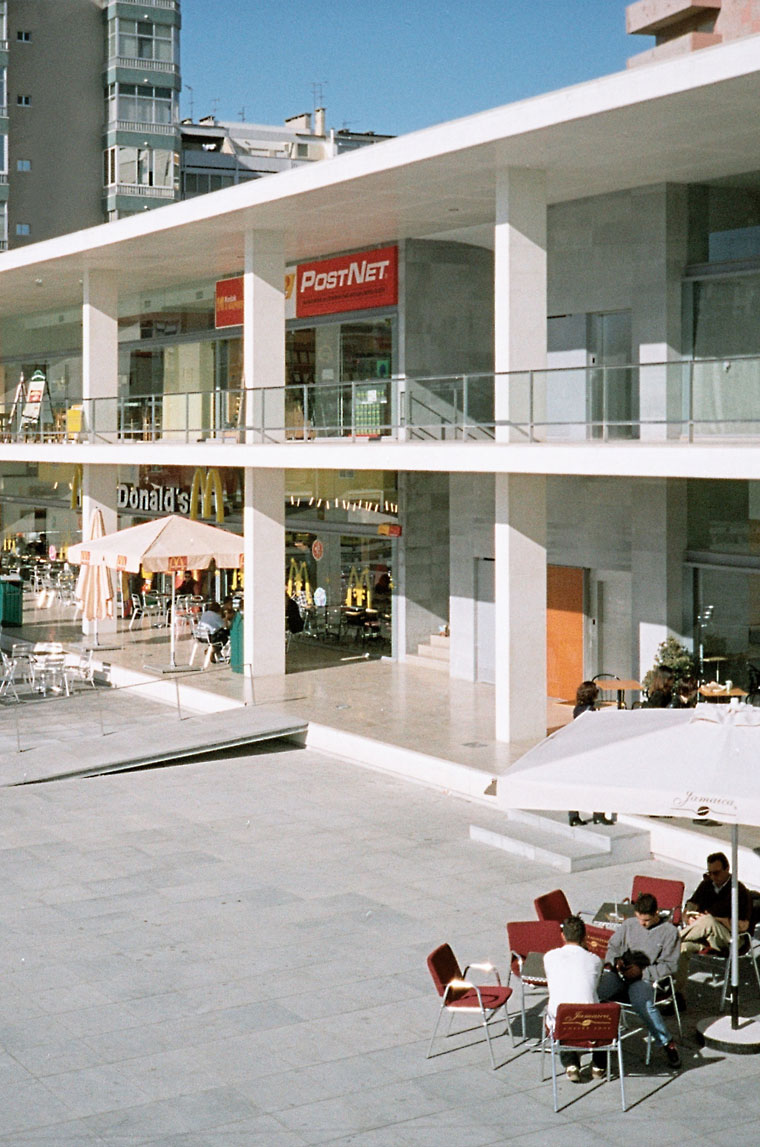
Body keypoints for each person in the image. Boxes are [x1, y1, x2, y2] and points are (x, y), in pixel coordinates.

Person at [598, 892, 681, 1067]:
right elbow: (613, 947)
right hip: (621, 974)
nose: (642, 924)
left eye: (646, 921)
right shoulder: (629, 924)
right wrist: (615, 961)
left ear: (656, 913)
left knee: (641, 1003)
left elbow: (670, 966)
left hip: (646, 979)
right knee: (596, 992)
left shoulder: (669, 932)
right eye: (639, 919)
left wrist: (642, 972)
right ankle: (596, 1040)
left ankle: (666, 1042)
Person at [675, 851, 752, 999]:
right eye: (709, 873)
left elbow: (743, 926)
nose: (713, 877)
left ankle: (670, 940)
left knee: (708, 921)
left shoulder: (739, 891)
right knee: (682, 948)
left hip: (730, 938)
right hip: (704, 937)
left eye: (716, 873)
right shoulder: (706, 884)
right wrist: (689, 916)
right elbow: (691, 904)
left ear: (727, 869)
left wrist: (717, 920)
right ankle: (677, 994)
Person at [544, 915, 605, 1082]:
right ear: (585, 937)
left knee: (559, 1012)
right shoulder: (595, 960)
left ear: (563, 936)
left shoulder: (549, 957)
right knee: (601, 1010)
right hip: (591, 1023)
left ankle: (570, 1063)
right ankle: (599, 1065)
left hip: (562, 1021)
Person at [568, 682, 614, 827]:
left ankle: (574, 815)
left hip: (578, 751)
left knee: (578, 783)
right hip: (588, 751)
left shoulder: (578, 709)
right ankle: (598, 814)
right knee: (597, 781)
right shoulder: (589, 710)